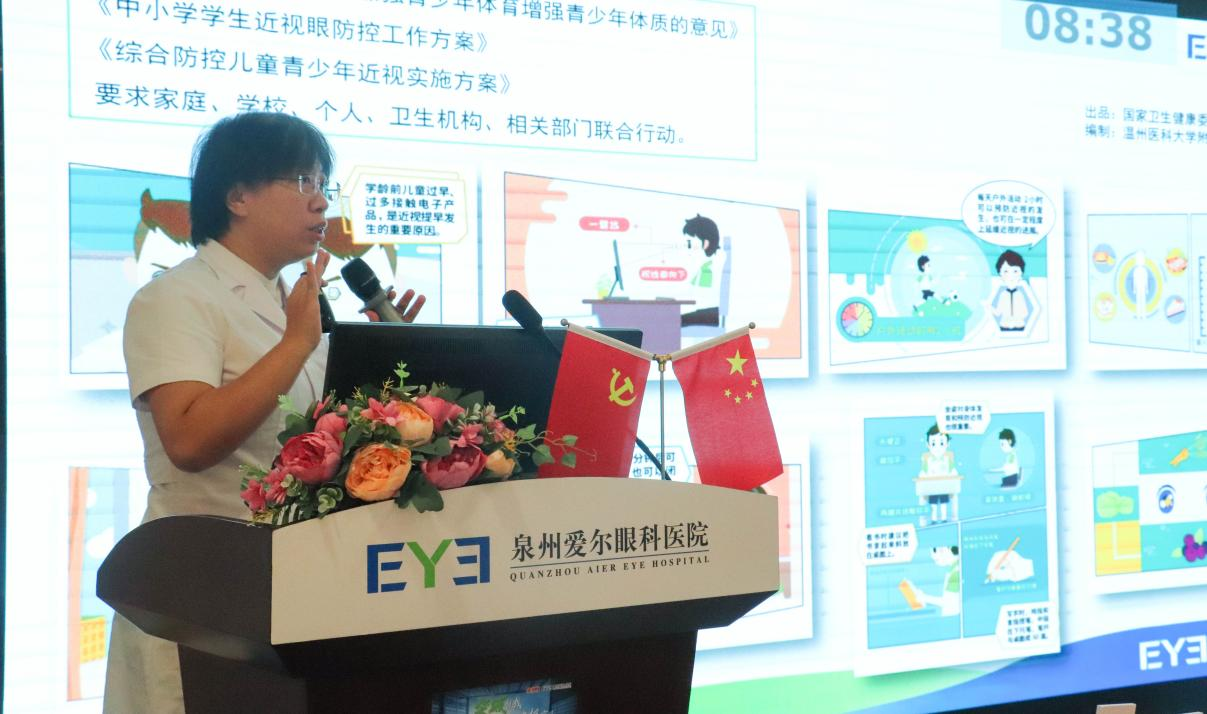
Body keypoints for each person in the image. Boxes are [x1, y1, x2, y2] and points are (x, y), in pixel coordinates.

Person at [103, 112, 424, 713]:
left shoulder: (296, 306)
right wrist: (296, 344)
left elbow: (321, 451)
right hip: (202, 592)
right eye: (302, 181)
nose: (321, 201)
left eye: (324, 183)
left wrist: (385, 361)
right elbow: (189, 439)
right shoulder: (176, 297)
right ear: (238, 197)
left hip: (297, 593)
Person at [681, 214, 726, 327]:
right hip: (704, 312)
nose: (687, 248)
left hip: (708, 314)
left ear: (705, 243)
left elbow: (700, 295)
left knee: (668, 321)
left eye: (689, 244)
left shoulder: (709, 267)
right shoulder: (704, 265)